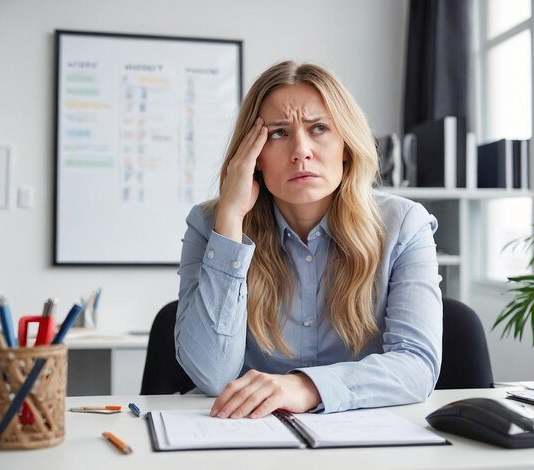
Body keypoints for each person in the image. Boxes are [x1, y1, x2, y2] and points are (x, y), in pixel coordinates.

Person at [175, 60, 442, 419]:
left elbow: (416, 366)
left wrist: (306, 386)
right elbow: (211, 375)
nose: (301, 151)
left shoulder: (404, 225)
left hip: (364, 438)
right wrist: (230, 220)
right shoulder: (210, 225)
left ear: (346, 145)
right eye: (278, 133)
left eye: (319, 128)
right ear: (253, 157)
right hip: (247, 436)